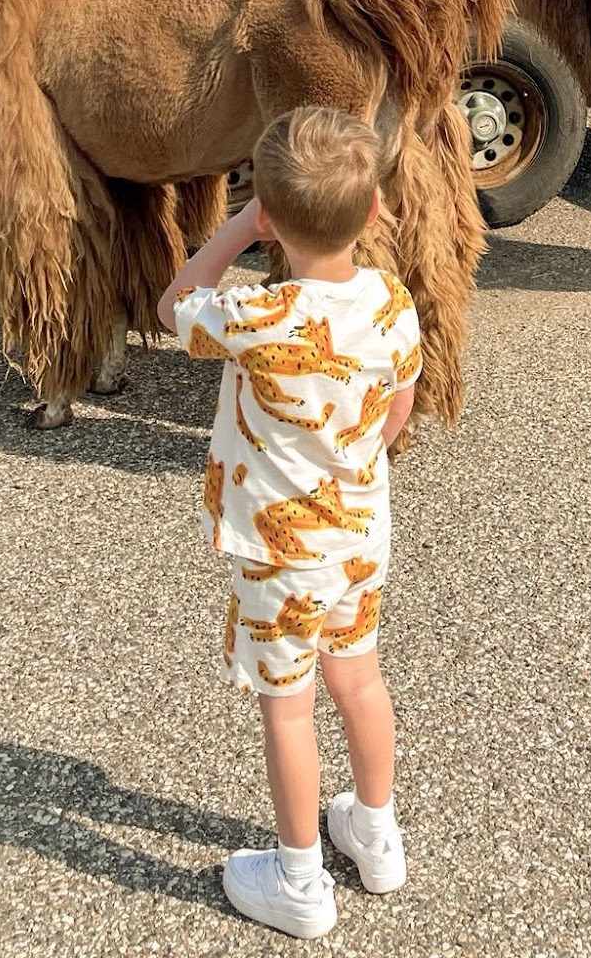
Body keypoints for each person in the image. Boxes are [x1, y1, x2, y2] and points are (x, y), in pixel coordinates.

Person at [157, 105, 421, 939]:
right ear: (372, 210)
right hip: (359, 535)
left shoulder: (257, 317)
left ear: (269, 216)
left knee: (289, 709)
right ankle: (375, 836)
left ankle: (299, 880)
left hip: (280, 556)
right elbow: (398, 408)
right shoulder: (391, 303)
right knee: (360, 680)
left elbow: (173, 304)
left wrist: (240, 226)